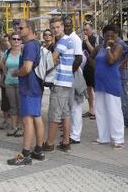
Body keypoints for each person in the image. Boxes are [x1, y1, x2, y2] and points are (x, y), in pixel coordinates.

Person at [8, 20, 45, 165]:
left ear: (30, 29)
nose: (18, 30)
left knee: (27, 120)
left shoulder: (29, 46)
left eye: (21, 28)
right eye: (17, 27)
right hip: (35, 87)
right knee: (36, 117)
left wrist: (16, 73)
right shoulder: (35, 43)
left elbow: (27, 68)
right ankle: (39, 150)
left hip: (29, 87)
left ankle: (25, 154)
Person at [90, 25, 124, 148]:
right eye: (107, 35)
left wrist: (109, 47)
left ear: (116, 36)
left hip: (112, 82)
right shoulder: (99, 47)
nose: (109, 37)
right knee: (100, 110)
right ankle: (103, 137)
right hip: (99, 82)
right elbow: (90, 58)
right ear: (103, 35)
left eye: (112, 35)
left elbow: (111, 60)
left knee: (114, 111)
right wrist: (97, 68)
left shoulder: (118, 47)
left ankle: (118, 139)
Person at [43, 17, 74, 153]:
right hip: (66, 81)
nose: (55, 30)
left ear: (62, 27)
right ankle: (66, 142)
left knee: (54, 113)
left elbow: (52, 58)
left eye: (57, 27)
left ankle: (49, 144)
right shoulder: (66, 40)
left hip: (60, 81)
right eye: (53, 27)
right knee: (65, 112)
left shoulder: (63, 41)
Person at [63, 18, 84, 145]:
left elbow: (79, 58)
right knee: (70, 105)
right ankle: (71, 132)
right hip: (69, 74)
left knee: (76, 106)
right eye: (64, 25)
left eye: (68, 25)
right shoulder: (66, 38)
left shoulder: (74, 38)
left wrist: (69, 73)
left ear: (73, 26)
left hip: (73, 74)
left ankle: (75, 135)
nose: (66, 27)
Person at [1, 32, 23, 137]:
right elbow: (3, 63)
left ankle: (20, 127)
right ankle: (13, 127)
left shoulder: (23, 52)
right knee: (12, 106)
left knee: (20, 105)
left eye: (18, 39)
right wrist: (6, 73)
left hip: (21, 82)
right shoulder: (8, 52)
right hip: (9, 82)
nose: (16, 41)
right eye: (14, 39)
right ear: (10, 40)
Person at [82, 23, 101, 119]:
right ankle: (91, 110)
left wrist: (87, 42)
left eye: (87, 29)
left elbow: (94, 51)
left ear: (91, 30)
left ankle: (98, 111)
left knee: (95, 89)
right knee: (88, 89)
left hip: (94, 67)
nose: (85, 32)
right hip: (86, 67)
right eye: (84, 30)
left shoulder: (95, 39)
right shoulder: (83, 41)